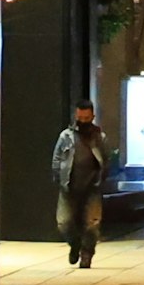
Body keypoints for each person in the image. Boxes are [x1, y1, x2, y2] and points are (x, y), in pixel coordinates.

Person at [50, 102, 109, 268]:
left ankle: (87, 253)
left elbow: (105, 160)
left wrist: (101, 178)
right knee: (64, 222)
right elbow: (57, 159)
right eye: (80, 117)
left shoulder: (99, 137)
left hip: (92, 187)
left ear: (92, 117)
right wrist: (59, 178)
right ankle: (75, 244)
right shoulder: (66, 136)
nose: (83, 121)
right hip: (69, 186)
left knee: (92, 223)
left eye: (87, 118)